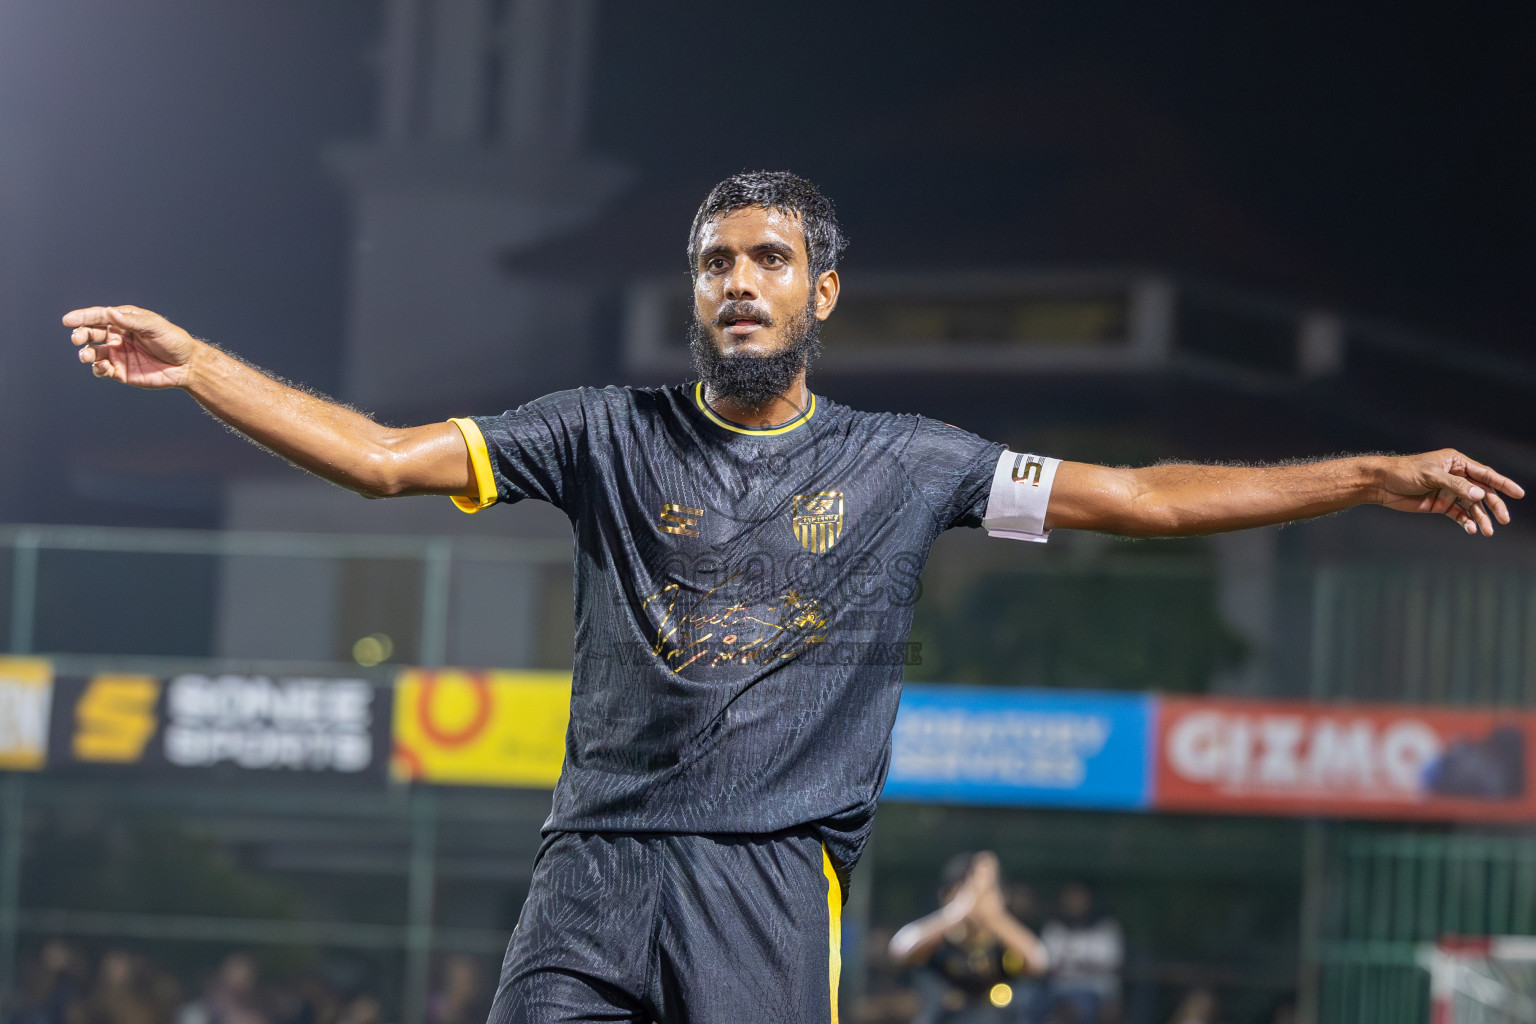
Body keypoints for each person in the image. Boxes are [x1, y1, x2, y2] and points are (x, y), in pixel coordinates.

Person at [64, 171, 1522, 1024]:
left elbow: (1139, 499)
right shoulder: (599, 434)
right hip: (591, 872)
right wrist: (205, 367)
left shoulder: (912, 465)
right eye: (715, 264)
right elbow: (382, 462)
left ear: (825, 292)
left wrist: (1370, 475)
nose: (739, 283)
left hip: (768, 889)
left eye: (769, 260)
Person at [889, 852, 1048, 1023]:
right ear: (945, 895)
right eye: (964, 890)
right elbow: (900, 949)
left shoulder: (1007, 943)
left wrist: (994, 916)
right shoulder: (936, 941)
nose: (977, 899)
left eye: (988, 892)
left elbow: (1039, 962)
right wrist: (958, 911)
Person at [1040, 884, 1122, 1023]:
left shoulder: (1106, 928)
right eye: (1070, 897)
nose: (1075, 902)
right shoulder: (1053, 928)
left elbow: (1112, 964)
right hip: (1057, 992)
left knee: (1078, 1006)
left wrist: (1079, 966)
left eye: (1079, 897)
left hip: (1097, 992)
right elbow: (1045, 964)